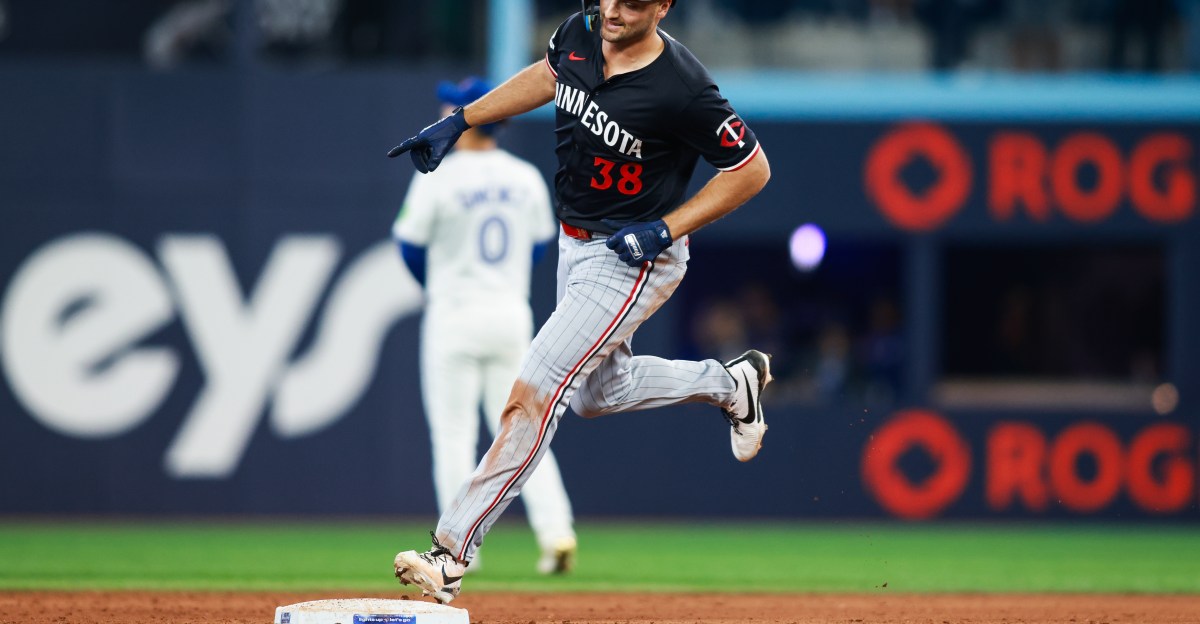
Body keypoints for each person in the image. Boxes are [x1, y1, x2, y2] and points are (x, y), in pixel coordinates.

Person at [388, 0, 772, 604]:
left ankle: (452, 553)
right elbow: (548, 75)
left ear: (664, 6)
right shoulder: (580, 30)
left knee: (536, 389)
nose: (616, 8)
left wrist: (668, 228)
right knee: (599, 392)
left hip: (634, 255)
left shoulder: (685, 88)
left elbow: (751, 170)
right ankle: (731, 384)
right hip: (577, 243)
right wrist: (462, 120)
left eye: (634, 1)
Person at [391, 76, 578, 575]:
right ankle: (556, 532)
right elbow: (540, 244)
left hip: (454, 312)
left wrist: (440, 284)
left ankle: (457, 549)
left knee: (452, 435)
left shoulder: (439, 174)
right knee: (526, 431)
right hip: (509, 313)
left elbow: (408, 246)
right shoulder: (524, 177)